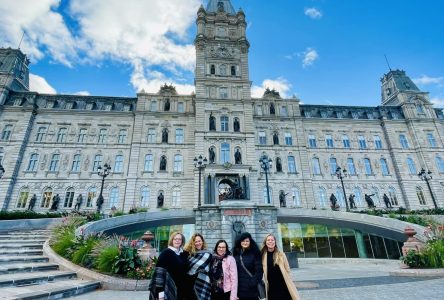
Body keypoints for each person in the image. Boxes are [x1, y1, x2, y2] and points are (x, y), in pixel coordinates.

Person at [149, 232, 188, 300]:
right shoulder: (166, 253)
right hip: (167, 288)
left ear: (182, 241)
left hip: (181, 290)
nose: (177, 241)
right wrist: (160, 294)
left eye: (179, 239)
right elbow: (159, 275)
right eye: (175, 239)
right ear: (171, 240)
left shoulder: (184, 254)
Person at [261, 234, 300, 300]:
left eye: (272, 240)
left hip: (284, 286)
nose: (270, 241)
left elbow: (287, 269)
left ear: (275, 242)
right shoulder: (262, 255)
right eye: (268, 240)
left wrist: (289, 281)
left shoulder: (281, 254)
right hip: (271, 288)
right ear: (265, 242)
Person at [232, 232, 263, 300]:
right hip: (239, 290)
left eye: (247, 241)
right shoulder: (236, 254)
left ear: (250, 242)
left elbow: (259, 271)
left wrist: (252, 283)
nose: (245, 243)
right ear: (240, 242)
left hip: (251, 290)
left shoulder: (255, 254)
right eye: (243, 241)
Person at [183, 233, 212, 300]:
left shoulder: (208, 254)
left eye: (199, 241)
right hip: (190, 284)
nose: (198, 243)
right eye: (196, 241)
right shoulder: (188, 254)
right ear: (193, 243)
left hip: (204, 282)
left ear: (202, 241)